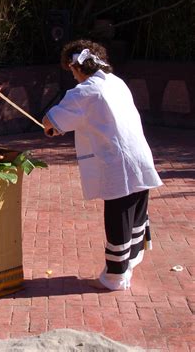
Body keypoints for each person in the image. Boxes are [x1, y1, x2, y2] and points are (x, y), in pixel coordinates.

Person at [42, 39, 162, 291]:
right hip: (139, 156)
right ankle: (127, 265)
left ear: (77, 68)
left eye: (71, 70)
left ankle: (115, 277)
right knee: (135, 211)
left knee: (118, 217)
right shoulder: (116, 82)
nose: (73, 76)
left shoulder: (83, 92)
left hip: (117, 162)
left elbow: (50, 121)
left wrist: (52, 128)